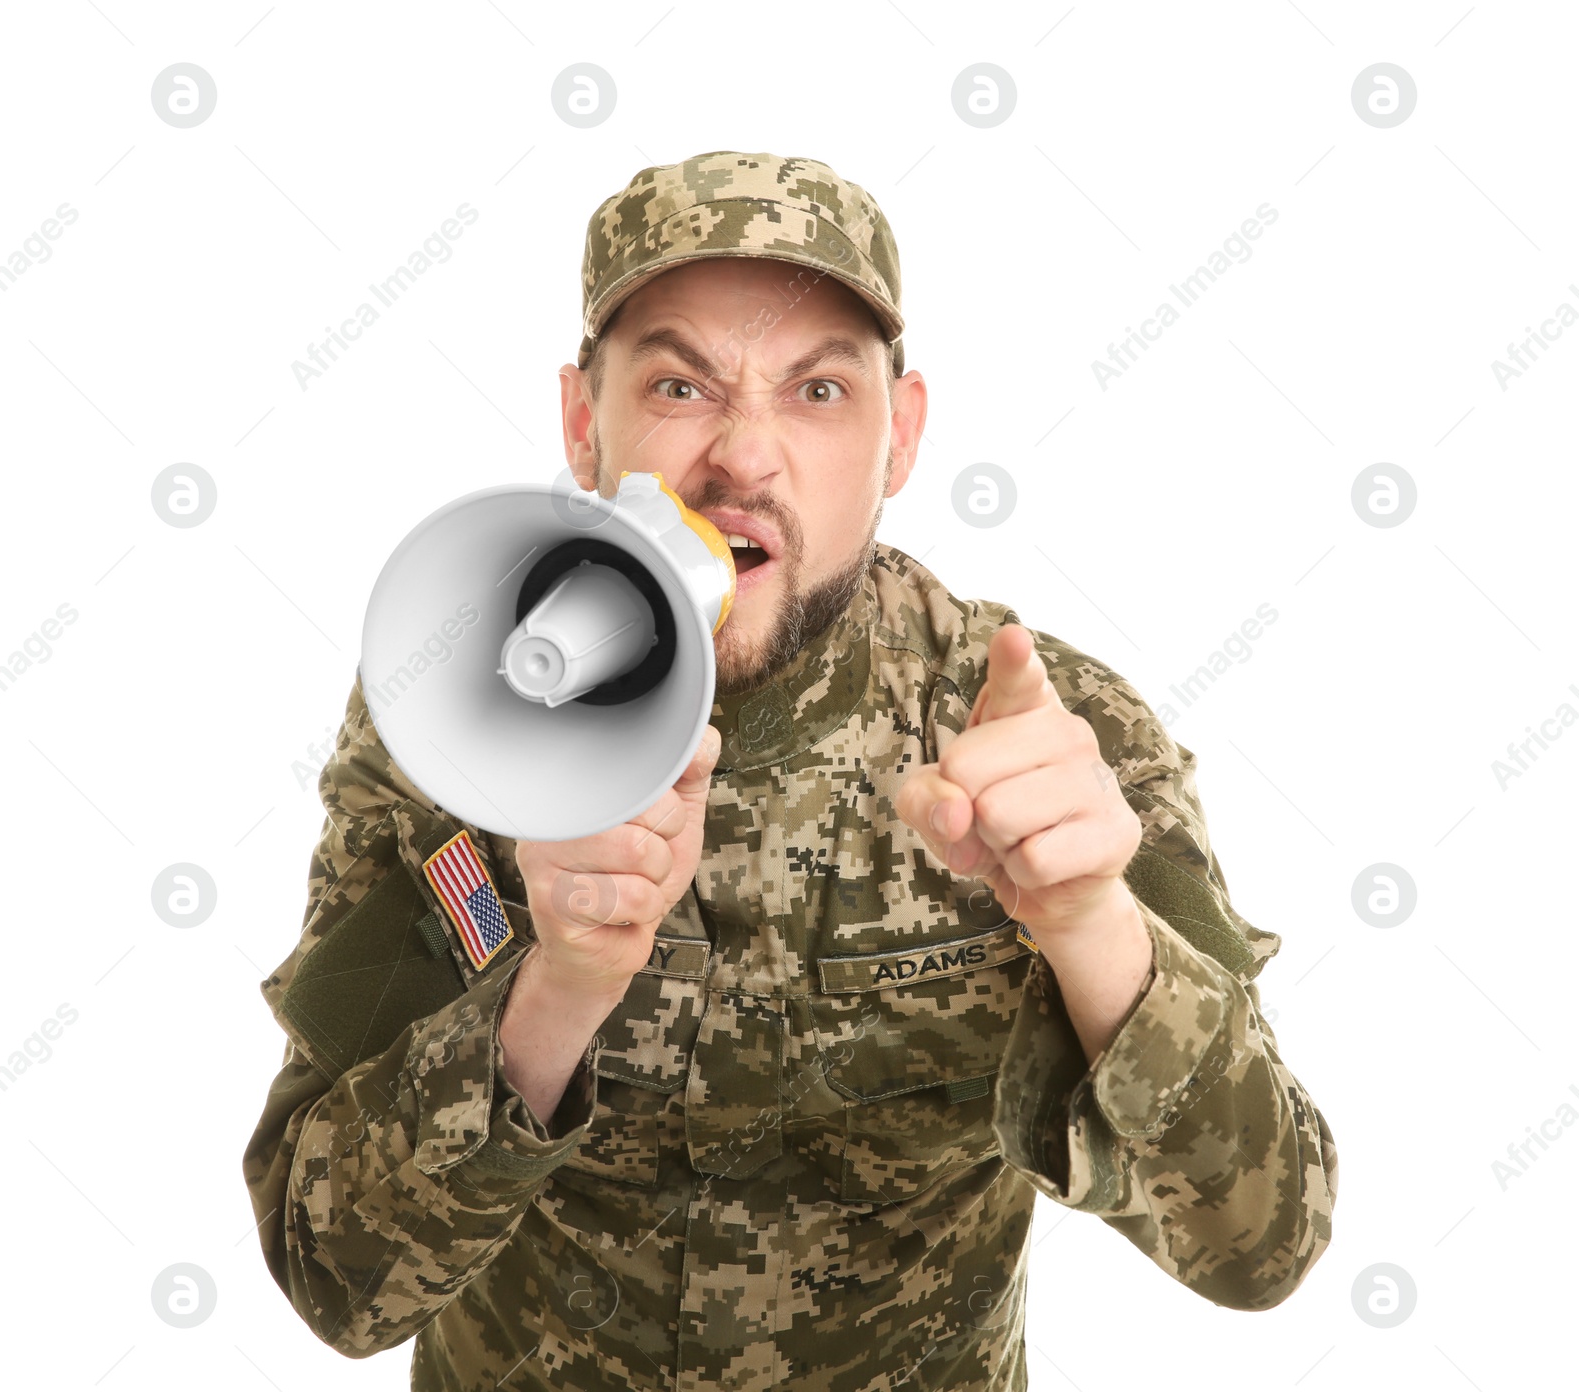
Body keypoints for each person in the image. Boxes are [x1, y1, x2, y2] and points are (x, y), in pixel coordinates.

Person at [243, 149, 1339, 1391]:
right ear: (582, 421)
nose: (744, 459)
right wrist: (554, 995)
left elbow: (1262, 1251)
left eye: (818, 392)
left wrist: (1093, 930)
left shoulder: (1041, 734)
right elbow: (331, 1280)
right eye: (678, 385)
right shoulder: (453, 711)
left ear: (901, 437)